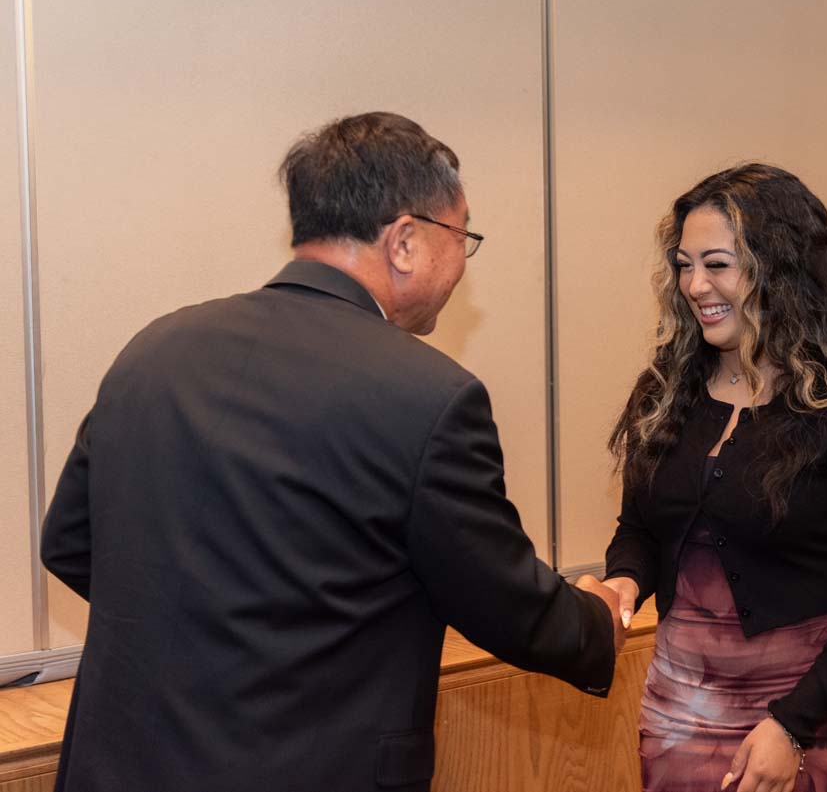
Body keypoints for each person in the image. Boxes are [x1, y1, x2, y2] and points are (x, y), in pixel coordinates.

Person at [40, 111, 622, 792]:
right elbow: (503, 600)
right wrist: (598, 621)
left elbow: (70, 542)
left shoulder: (153, 351)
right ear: (405, 241)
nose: (462, 265)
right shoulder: (428, 396)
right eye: (463, 237)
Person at [602, 164, 827, 792]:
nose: (695, 285)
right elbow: (638, 527)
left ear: (780, 269)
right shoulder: (665, 395)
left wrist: (792, 726)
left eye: (717, 264)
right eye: (684, 265)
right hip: (678, 708)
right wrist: (623, 584)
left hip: (802, 716)